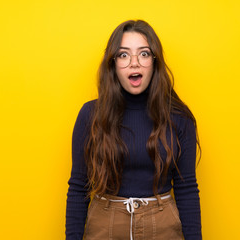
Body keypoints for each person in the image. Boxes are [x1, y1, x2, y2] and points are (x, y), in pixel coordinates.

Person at [66, 20, 202, 240]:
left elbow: (187, 190)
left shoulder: (180, 117)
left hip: (163, 228)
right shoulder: (90, 115)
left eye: (144, 54)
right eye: (123, 55)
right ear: (113, 64)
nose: (134, 63)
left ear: (155, 61)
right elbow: (78, 188)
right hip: (104, 226)